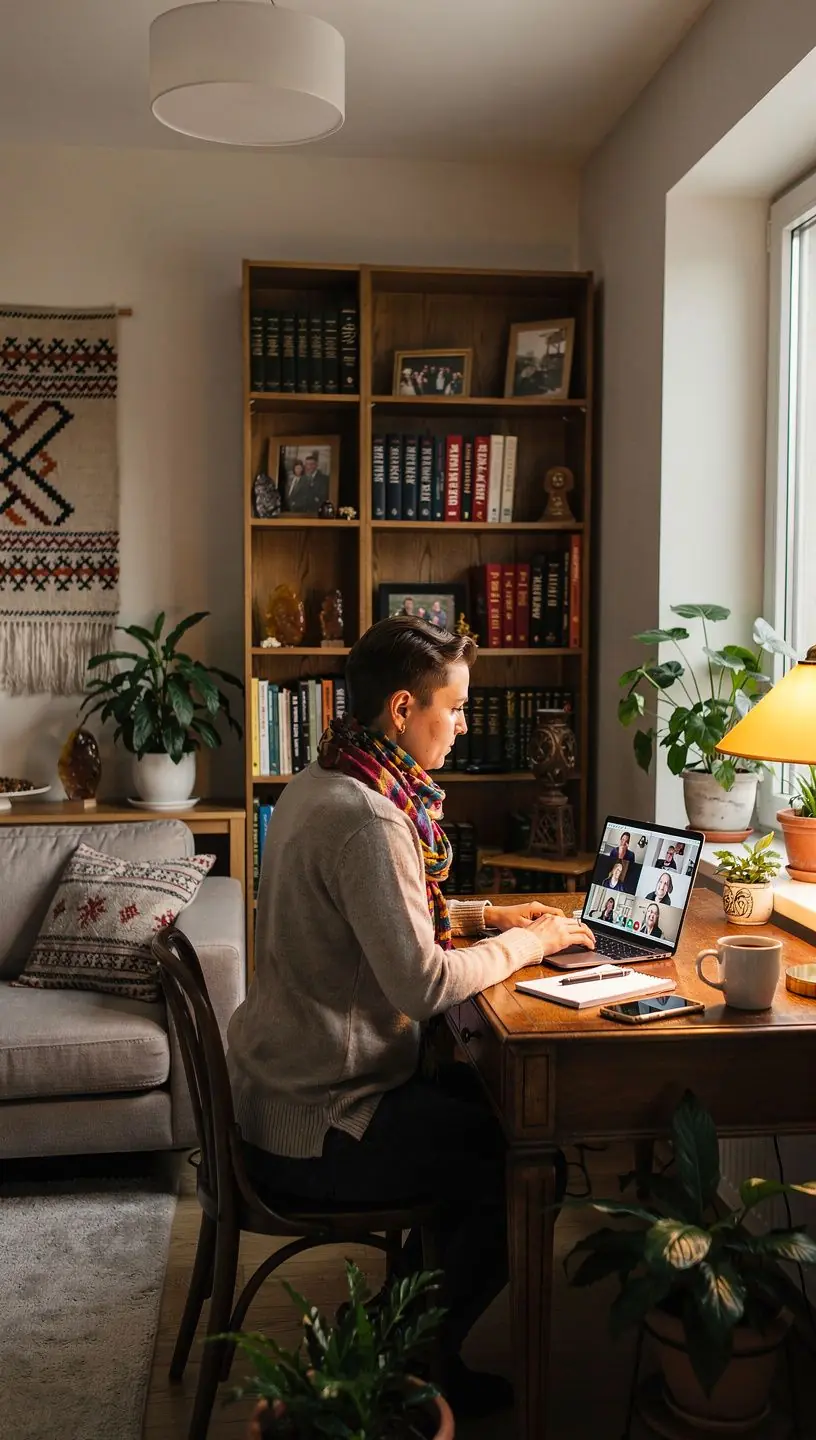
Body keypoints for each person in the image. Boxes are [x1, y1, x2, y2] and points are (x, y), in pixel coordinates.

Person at [227, 617, 596, 1417]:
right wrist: (532, 943)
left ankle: (400, 1343)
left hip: (280, 1093)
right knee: (523, 1170)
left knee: (490, 1124)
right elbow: (424, 984)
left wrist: (490, 917)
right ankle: (384, 1360)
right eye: (454, 708)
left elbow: (379, 920)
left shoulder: (326, 778)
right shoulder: (370, 819)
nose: (462, 726)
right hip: (320, 1124)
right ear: (403, 708)